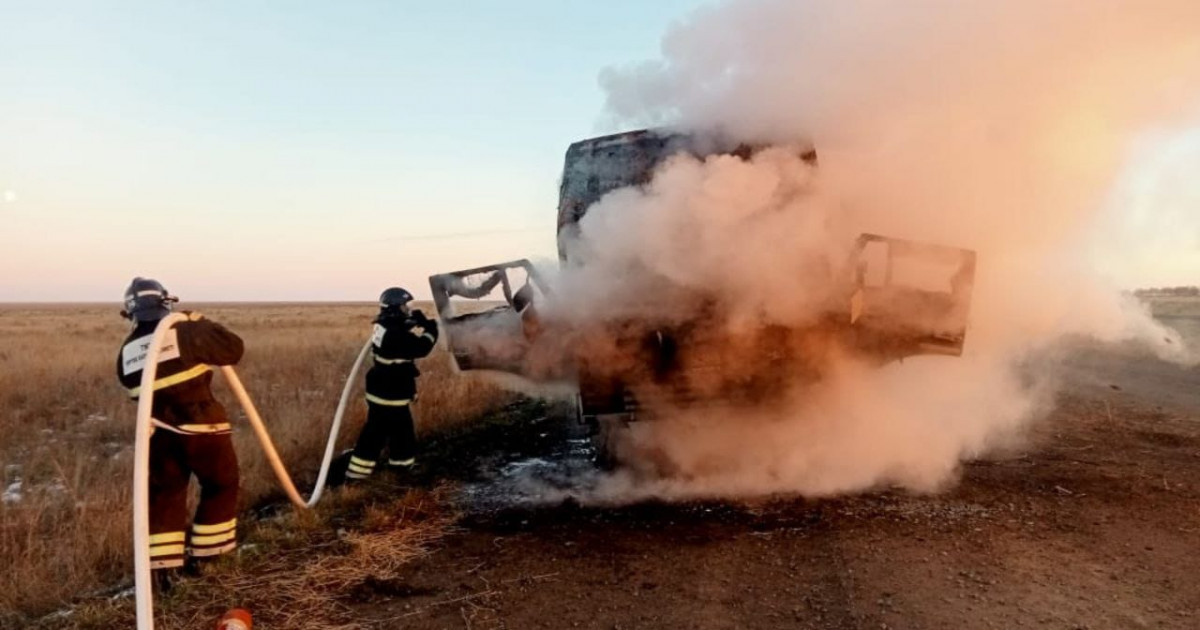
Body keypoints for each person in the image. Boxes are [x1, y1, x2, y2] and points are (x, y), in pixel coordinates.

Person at [115, 277, 244, 577]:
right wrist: (198, 321)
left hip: (159, 436)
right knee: (221, 484)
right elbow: (233, 348)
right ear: (165, 302)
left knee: (166, 495)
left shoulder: (126, 354)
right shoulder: (183, 331)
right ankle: (212, 557)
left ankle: (164, 571)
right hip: (201, 428)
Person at [344, 287, 439, 481]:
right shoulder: (395, 334)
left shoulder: (384, 325)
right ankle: (356, 475)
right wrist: (431, 329)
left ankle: (400, 468)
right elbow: (420, 348)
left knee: (396, 432)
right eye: (406, 306)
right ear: (396, 307)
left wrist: (414, 321)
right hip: (390, 393)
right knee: (381, 435)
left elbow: (397, 333)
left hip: (382, 390)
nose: (408, 309)